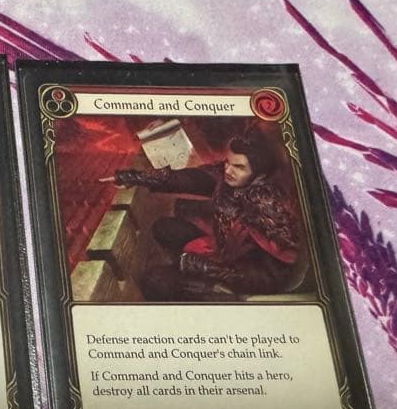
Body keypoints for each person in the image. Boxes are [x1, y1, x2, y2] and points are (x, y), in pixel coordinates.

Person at [102, 129, 300, 301]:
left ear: (258, 172)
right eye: (228, 162)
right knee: (164, 228)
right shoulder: (231, 178)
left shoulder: (266, 207)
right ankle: (183, 273)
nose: (228, 170)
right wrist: (135, 177)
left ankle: (200, 294)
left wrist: (209, 269)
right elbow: (191, 179)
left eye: (239, 167)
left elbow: (272, 278)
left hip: (240, 279)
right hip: (223, 252)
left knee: (154, 282)